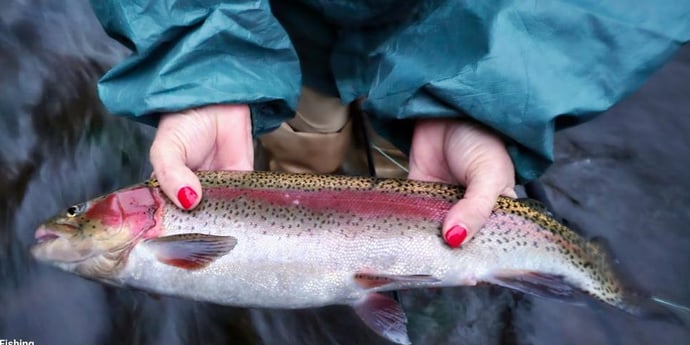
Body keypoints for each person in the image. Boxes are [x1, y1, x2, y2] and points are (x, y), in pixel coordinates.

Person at [90, 1, 689, 248]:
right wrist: (206, 60)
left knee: (452, 201)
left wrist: (489, 97)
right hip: (273, 29)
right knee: (289, 163)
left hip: (484, 34)